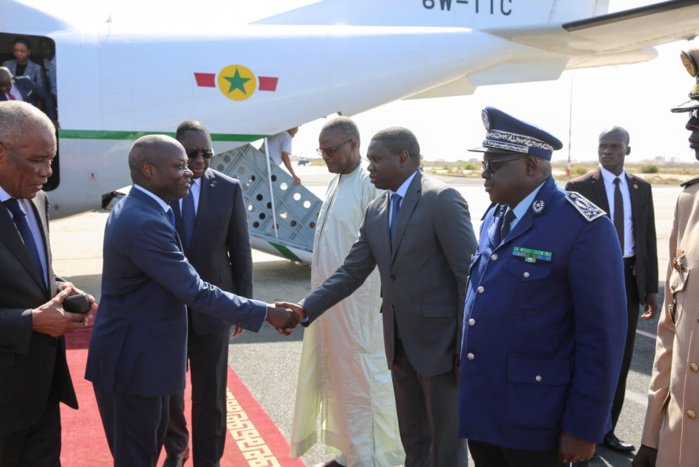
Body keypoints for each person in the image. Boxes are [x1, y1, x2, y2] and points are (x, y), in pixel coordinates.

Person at [85, 134, 299, 466]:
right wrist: (266, 312)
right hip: (132, 364)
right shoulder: (145, 222)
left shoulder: (144, 207)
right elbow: (195, 290)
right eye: (180, 165)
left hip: (142, 359)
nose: (190, 172)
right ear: (149, 171)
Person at [279, 126, 477, 466]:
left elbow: (469, 278)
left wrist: (466, 346)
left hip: (441, 347)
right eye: (368, 159)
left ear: (403, 158)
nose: (368, 167)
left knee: (446, 444)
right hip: (398, 344)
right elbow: (351, 272)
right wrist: (303, 308)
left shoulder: (440, 199)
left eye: (376, 159)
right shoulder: (377, 209)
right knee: (413, 438)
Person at [459, 107, 627, 466]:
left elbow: (602, 337)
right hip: (485, 409)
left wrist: (584, 427)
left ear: (530, 166)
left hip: (537, 419)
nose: (483, 175)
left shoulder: (583, 225)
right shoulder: (494, 216)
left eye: (492, 165)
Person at [289, 117, 404, 467]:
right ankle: (350, 451)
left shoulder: (373, 184)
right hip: (333, 307)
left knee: (363, 383)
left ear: (354, 145)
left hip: (360, 309)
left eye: (332, 149)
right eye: (321, 151)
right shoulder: (338, 181)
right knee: (339, 380)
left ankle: (372, 458)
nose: (326, 156)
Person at [0, 101, 97, 465]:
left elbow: (30, 270)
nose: (47, 172)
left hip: (41, 392)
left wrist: (62, 289)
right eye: (37, 159)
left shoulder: (37, 199)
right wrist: (31, 322)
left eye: (52, 159)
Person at [162, 120, 254, 467]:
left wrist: (243, 306)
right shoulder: (160, 187)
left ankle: (208, 460)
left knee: (211, 394)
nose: (200, 160)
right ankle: (176, 449)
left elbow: (240, 251)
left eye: (207, 153)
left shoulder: (228, 188)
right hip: (166, 308)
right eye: (192, 153)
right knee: (169, 392)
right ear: (176, 152)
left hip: (214, 310)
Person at [565, 126, 658, 453]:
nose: (607, 152)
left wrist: (650, 287)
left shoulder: (641, 187)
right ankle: (580, 430)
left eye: (614, 147)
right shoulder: (578, 187)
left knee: (620, 356)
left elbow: (647, 239)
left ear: (626, 151)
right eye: (603, 146)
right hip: (591, 279)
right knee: (586, 354)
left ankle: (608, 432)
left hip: (629, 279)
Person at [633, 48, 699, 467]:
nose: (691, 124)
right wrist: (652, 435)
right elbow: (670, 331)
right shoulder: (688, 202)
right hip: (680, 442)